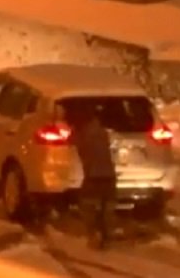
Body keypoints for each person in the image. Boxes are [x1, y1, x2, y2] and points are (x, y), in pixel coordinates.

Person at [72, 103, 117, 249]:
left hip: (93, 176)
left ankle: (94, 234)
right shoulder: (103, 132)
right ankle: (105, 234)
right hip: (109, 176)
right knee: (106, 208)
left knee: (87, 205)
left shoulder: (83, 133)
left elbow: (74, 144)